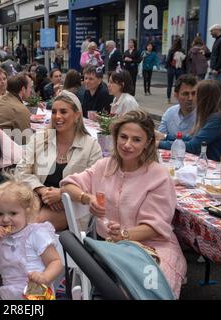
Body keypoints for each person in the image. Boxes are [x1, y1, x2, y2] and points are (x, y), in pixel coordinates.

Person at [60, 110, 187, 298]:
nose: (127, 145)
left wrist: (124, 234)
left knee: (141, 289)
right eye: (123, 137)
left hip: (152, 247)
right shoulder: (105, 165)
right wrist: (88, 198)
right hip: (111, 248)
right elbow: (67, 186)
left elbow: (155, 227)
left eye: (136, 140)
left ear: (148, 143)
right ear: (115, 137)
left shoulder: (158, 176)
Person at [16, 91, 101, 231]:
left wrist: (62, 194)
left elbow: (95, 185)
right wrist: (43, 190)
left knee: (33, 225)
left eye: (63, 112)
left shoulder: (91, 146)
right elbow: (21, 170)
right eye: (54, 112)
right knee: (8, 220)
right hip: (35, 198)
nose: (57, 116)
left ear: (77, 115)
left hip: (72, 206)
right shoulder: (41, 138)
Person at [0, 180, 63, 300]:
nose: (5, 219)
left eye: (13, 213)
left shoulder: (36, 233)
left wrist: (45, 277)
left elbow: (55, 262)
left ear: (27, 212)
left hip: (37, 287)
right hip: (10, 293)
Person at [158, 80, 221, 162]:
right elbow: (193, 138)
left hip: (217, 166)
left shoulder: (217, 119)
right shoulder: (214, 115)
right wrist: (164, 137)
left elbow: (193, 146)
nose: (191, 98)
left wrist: (159, 143)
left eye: (194, 94)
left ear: (203, 98)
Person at [0, 72, 33, 144]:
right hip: (2, 150)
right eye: (30, 87)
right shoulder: (21, 109)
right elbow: (25, 141)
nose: (31, 90)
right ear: (23, 89)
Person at [166, 37, 186, 104]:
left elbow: (168, 60)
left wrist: (167, 66)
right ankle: (178, 99)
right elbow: (184, 61)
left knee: (169, 84)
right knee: (179, 85)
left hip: (171, 68)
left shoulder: (171, 50)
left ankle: (168, 99)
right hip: (179, 69)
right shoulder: (182, 50)